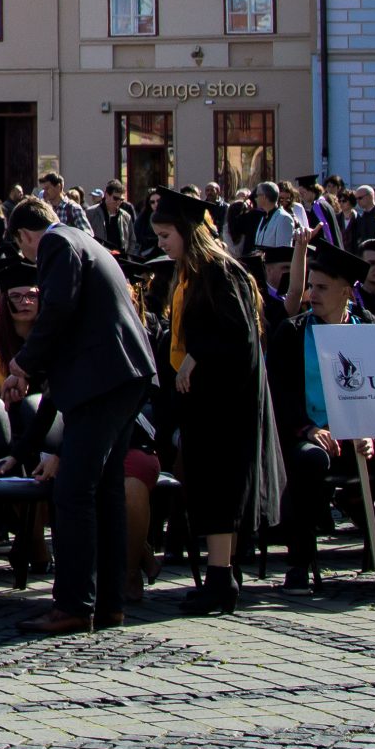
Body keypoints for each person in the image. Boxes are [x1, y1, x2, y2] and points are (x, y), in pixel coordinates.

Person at [0, 199, 159, 634]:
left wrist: (22, 364)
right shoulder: (85, 241)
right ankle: (108, 603)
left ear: (25, 235)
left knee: (73, 491)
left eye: (22, 248)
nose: (28, 257)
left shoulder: (55, 245)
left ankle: (73, 604)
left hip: (101, 380)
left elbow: (58, 309)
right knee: (105, 490)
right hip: (125, 375)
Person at [264, 235, 375, 595]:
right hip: (312, 434)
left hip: (361, 436)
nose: (312, 294)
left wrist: (369, 430)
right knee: (309, 461)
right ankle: (299, 564)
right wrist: (307, 429)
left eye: (322, 288)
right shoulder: (293, 332)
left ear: (346, 292)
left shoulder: (367, 330)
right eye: (311, 286)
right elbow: (279, 395)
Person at [147, 188, 282, 614]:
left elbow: (239, 336)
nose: (161, 244)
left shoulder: (220, 272)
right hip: (205, 403)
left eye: (166, 235)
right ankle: (222, 576)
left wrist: (196, 356)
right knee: (210, 490)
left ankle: (221, 581)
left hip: (225, 405)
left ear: (188, 232)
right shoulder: (192, 274)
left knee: (221, 491)